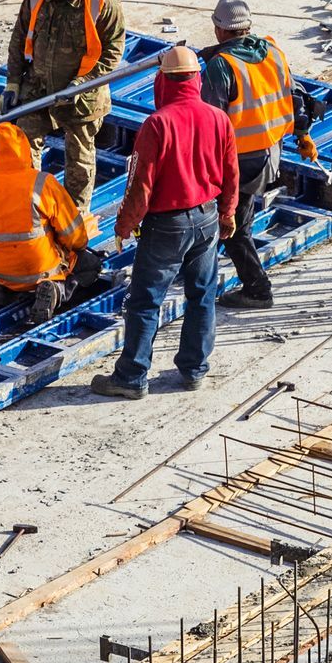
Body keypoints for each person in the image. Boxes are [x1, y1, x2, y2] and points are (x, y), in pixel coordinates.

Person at [91, 45, 237, 399]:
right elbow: (231, 173)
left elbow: (140, 183)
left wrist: (124, 225)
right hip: (206, 220)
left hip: (166, 226)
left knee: (145, 301)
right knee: (201, 296)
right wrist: (228, 212)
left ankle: (131, 377)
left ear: (164, 81)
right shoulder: (219, 118)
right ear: (196, 80)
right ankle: (194, 369)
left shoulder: (157, 124)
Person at [201, 0, 319, 311]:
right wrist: (304, 135)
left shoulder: (220, 67)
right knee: (237, 220)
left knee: (232, 225)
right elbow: (298, 98)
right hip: (271, 153)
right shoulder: (273, 52)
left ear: (219, 29)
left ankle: (257, 290)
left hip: (239, 161)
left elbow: (209, 123)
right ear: (247, 26)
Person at [5, 0, 127, 219]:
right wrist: (13, 82)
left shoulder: (102, 1)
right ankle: (30, 208)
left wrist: (82, 83)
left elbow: (113, 52)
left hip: (82, 95)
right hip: (38, 88)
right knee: (24, 145)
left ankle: (74, 216)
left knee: (79, 157)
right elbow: (19, 38)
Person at [0, 123, 101, 322]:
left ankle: (3, 291)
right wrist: (79, 249)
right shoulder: (42, 182)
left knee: (9, 267)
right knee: (90, 266)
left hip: (1, 271)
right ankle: (56, 289)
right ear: (27, 153)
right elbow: (73, 234)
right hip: (41, 268)